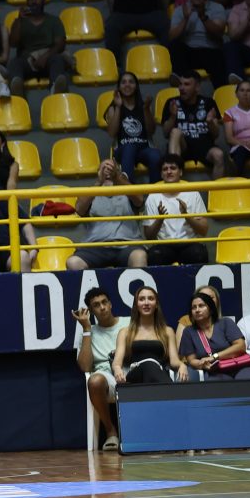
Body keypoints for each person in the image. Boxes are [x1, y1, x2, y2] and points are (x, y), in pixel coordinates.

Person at [73, 287, 129, 451]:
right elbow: (85, 367)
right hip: (107, 378)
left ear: (111, 304)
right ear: (91, 311)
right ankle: (111, 432)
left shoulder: (129, 322)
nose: (102, 307)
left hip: (132, 370)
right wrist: (86, 329)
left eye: (104, 302)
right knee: (94, 380)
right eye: (96, 305)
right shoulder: (89, 333)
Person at [66, 159, 148, 270]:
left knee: (139, 256)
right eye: (104, 168)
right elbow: (79, 209)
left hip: (127, 244)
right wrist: (99, 182)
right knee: (73, 262)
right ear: (98, 172)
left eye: (111, 169)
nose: (108, 172)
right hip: (95, 246)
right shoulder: (90, 193)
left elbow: (139, 200)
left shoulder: (127, 190)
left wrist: (117, 177)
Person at [112, 286, 188, 385]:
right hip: (135, 377)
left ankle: (168, 392)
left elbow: (174, 361)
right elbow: (117, 362)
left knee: (152, 366)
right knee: (148, 364)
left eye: (151, 299)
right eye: (141, 299)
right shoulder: (125, 332)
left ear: (156, 304)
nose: (146, 303)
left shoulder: (167, 331)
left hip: (158, 375)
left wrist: (182, 365)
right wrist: (117, 369)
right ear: (136, 305)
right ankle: (172, 392)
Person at [143, 154, 209, 266]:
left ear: (180, 172)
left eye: (173, 168)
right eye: (165, 169)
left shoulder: (193, 193)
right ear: (161, 174)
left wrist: (186, 216)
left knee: (199, 254)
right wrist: (160, 219)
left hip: (189, 244)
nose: (169, 172)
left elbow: (204, 230)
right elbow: (149, 236)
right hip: (164, 245)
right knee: (155, 255)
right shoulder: (153, 197)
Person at [178, 290, 250, 381]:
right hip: (216, 372)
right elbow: (191, 360)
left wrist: (214, 357)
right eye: (194, 307)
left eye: (201, 306)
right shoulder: (189, 331)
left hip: (241, 366)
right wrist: (201, 363)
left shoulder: (225, 323)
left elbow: (240, 346)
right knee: (215, 384)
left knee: (244, 381)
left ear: (211, 309)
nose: (197, 310)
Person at [7, 0, 70, 97]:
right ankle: (17, 91)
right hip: (27, 61)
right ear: (27, 1)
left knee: (58, 59)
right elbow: (13, 43)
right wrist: (19, 19)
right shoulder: (19, 22)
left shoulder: (54, 20)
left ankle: (56, 88)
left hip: (48, 59)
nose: (34, 1)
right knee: (15, 63)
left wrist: (45, 57)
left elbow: (60, 44)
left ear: (44, 0)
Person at [161, 69, 226, 178]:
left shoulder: (208, 103)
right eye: (180, 84)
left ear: (197, 87)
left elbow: (216, 135)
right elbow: (165, 133)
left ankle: (217, 189)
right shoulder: (172, 102)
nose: (181, 88)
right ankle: (173, 181)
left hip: (204, 146)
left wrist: (210, 122)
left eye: (186, 84)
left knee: (219, 155)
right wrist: (172, 116)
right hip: (183, 147)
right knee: (175, 132)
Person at [167, 0, 228, 86]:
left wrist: (203, 16)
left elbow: (219, 32)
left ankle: (222, 92)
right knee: (175, 45)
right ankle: (179, 79)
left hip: (211, 50)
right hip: (189, 52)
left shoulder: (217, 8)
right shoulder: (180, 9)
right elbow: (172, 36)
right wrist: (185, 19)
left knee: (219, 57)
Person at [105, 71, 161, 183]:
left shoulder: (144, 106)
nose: (127, 85)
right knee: (129, 147)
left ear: (136, 86)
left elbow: (151, 131)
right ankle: (128, 189)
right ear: (119, 87)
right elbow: (111, 133)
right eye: (123, 82)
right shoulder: (113, 108)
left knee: (155, 155)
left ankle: (155, 191)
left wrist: (146, 109)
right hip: (122, 149)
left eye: (131, 82)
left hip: (143, 149)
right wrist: (118, 107)